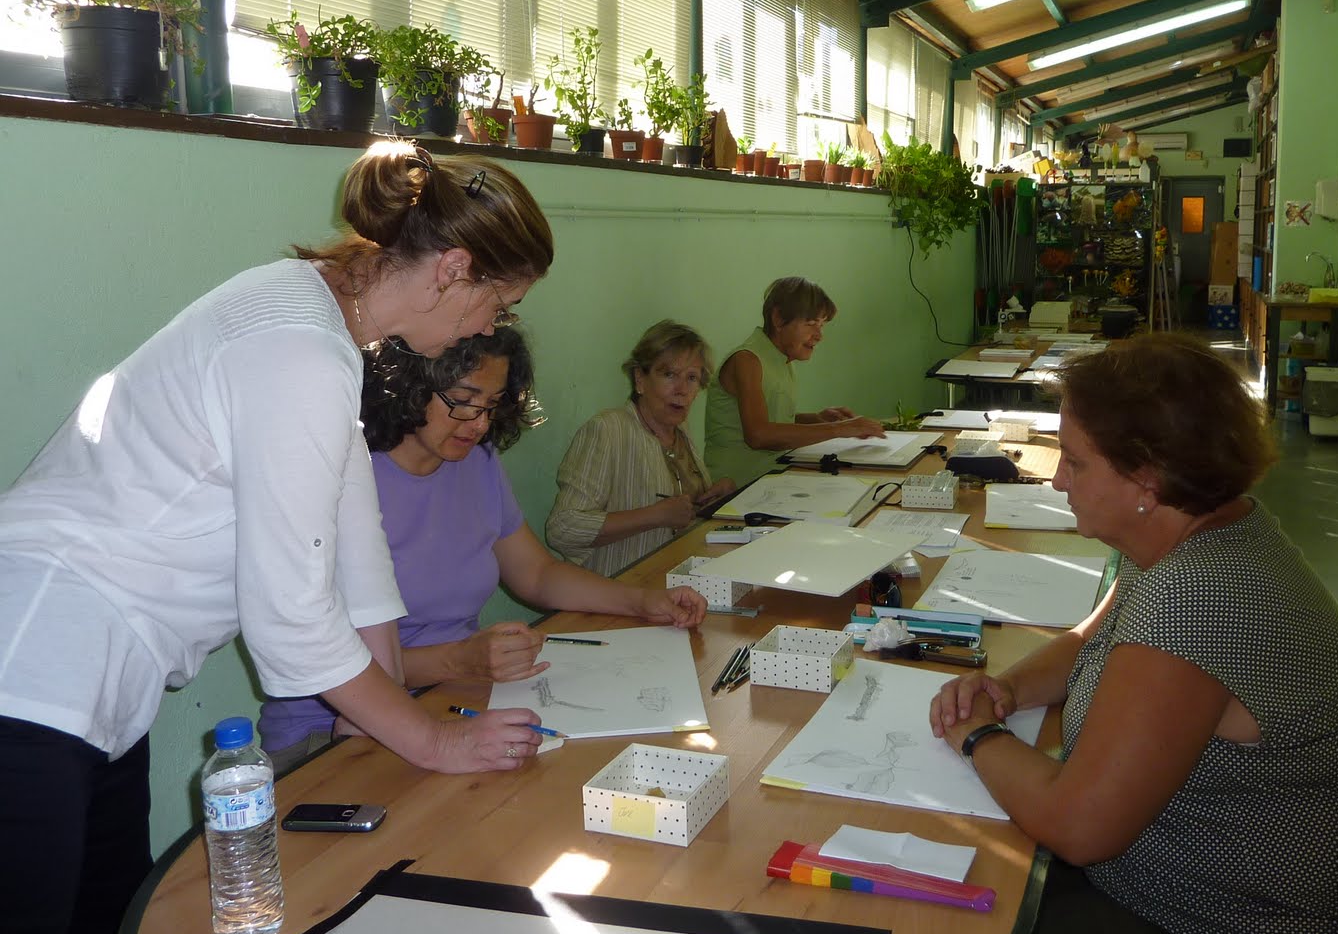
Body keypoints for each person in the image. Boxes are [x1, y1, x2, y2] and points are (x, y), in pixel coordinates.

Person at [0, 140, 559, 934]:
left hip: (100, 683)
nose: (489, 327)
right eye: (497, 302)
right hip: (34, 669)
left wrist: (374, 716)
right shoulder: (298, 346)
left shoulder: (324, 328)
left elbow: (355, 543)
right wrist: (433, 741)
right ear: (452, 267)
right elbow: (290, 618)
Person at [928, 333, 1338, 934]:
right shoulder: (1209, 530)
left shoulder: (1197, 602)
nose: (1059, 478)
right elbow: (1090, 638)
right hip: (1273, 888)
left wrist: (976, 735)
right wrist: (1002, 689)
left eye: (1076, 462)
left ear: (1146, 480)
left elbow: (1079, 826)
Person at [259, 327, 707, 763]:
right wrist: (459, 660)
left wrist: (643, 602)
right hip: (333, 732)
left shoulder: (475, 461)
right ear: (409, 386)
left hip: (450, 697)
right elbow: (333, 660)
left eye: (491, 405)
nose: (479, 423)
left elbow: (537, 573)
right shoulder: (345, 477)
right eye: (464, 401)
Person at [546, 321, 736, 577]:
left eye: (691, 378)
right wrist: (654, 516)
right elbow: (563, 528)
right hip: (619, 593)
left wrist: (718, 500)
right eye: (669, 374)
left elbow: (683, 511)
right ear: (640, 379)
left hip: (678, 585)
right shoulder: (608, 430)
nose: (681, 390)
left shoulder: (681, 431)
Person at [702, 276, 885, 486]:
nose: (819, 336)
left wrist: (817, 418)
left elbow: (774, 420)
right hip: (733, 488)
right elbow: (759, 434)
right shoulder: (747, 360)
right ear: (778, 319)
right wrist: (841, 429)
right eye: (811, 324)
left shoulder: (782, 359)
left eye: (822, 325)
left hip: (771, 479)